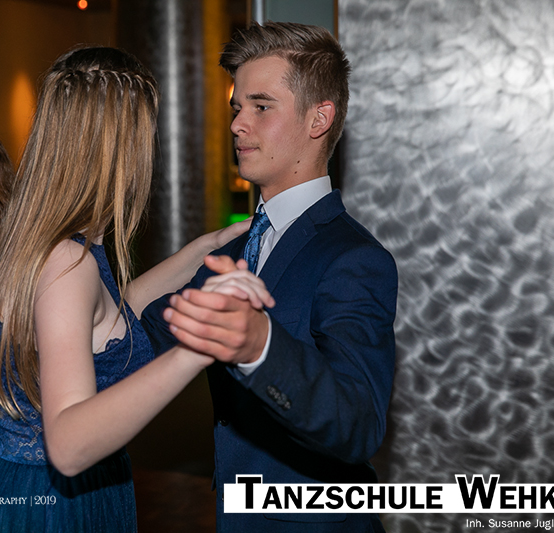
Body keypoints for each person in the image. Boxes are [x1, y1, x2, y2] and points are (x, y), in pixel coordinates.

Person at [0, 46, 263, 533]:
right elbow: (68, 446)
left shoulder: (62, 242)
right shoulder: (68, 263)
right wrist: (198, 347)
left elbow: (110, 319)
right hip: (48, 507)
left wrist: (206, 247)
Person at [140, 22, 398, 532]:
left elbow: (358, 424)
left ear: (319, 118)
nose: (238, 124)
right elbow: (135, 344)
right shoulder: (231, 252)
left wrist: (262, 345)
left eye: (261, 107)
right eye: (237, 108)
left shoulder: (354, 258)